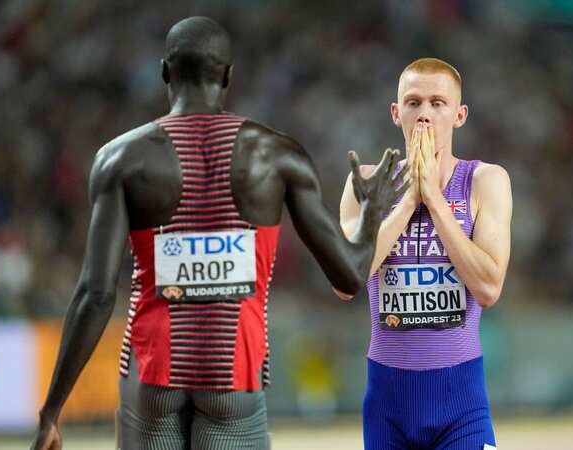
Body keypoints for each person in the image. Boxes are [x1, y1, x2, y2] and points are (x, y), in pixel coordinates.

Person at [30, 16, 406, 450]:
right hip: (235, 375)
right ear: (228, 75)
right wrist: (372, 211)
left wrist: (51, 412)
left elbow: (95, 294)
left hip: (153, 375)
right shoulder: (278, 155)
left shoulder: (120, 159)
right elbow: (350, 275)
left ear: (165, 72)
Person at [338, 58, 512, 450]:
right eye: (414, 103)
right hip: (387, 405)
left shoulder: (486, 181)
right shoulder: (366, 182)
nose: (424, 115)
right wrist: (408, 200)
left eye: (438, 103)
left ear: (460, 114)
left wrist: (434, 199)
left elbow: (488, 287)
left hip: (461, 405)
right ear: (396, 113)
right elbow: (346, 281)